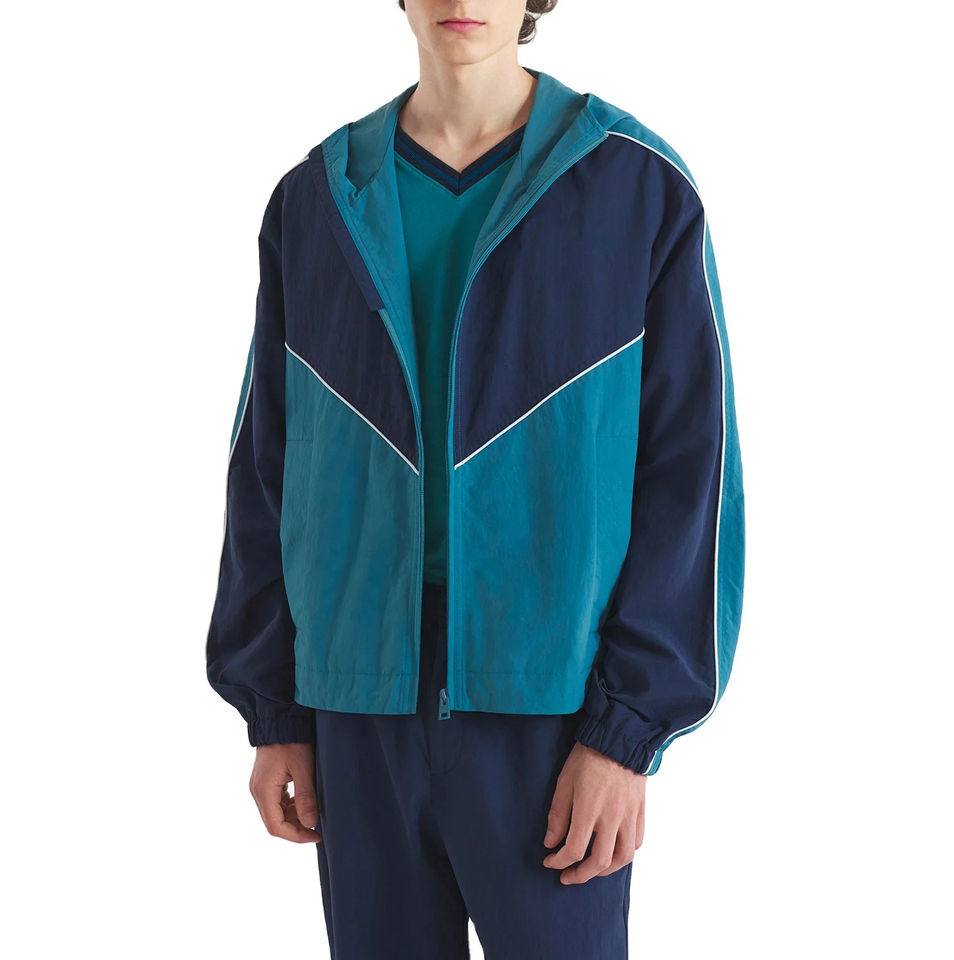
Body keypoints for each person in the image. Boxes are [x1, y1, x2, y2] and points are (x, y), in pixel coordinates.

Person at [206, 1, 745, 956]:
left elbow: (690, 474)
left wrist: (625, 734)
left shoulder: (636, 186)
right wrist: (275, 708)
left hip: (551, 706)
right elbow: (267, 463)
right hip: (359, 699)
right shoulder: (316, 199)